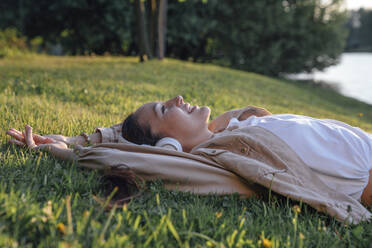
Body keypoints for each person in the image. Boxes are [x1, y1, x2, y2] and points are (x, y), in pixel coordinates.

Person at [6, 96, 372, 222]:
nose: (180, 98)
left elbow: (129, 131)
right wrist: (70, 153)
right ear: (169, 144)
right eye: (167, 108)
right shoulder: (216, 157)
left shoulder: (227, 127)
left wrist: (77, 136)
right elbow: (146, 159)